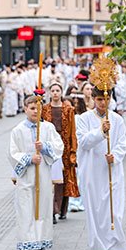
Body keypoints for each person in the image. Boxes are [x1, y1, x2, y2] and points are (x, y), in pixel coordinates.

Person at [8, 94, 64, 250]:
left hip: (43, 177)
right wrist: (29, 158)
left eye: (38, 108)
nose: (35, 111)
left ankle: (39, 245)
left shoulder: (47, 128)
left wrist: (45, 148)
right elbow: (12, 153)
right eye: (32, 108)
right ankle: (26, 249)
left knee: (42, 209)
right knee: (26, 211)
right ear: (25, 109)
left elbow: (58, 145)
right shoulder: (18, 130)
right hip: (27, 177)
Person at [77, 88, 126, 250]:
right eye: (98, 99)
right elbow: (83, 142)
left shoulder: (117, 120)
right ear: (93, 99)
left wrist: (115, 155)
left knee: (114, 214)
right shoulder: (84, 119)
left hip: (111, 171)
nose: (102, 103)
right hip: (92, 173)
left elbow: (122, 143)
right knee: (95, 214)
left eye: (105, 99)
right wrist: (101, 132)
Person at [42, 83, 80, 223]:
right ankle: (52, 210)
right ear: (50, 93)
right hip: (50, 146)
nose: (55, 93)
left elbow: (72, 131)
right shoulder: (45, 109)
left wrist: (73, 151)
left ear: (61, 92)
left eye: (58, 90)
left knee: (64, 179)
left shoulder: (68, 109)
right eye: (53, 91)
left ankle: (62, 209)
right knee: (52, 179)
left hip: (65, 146)